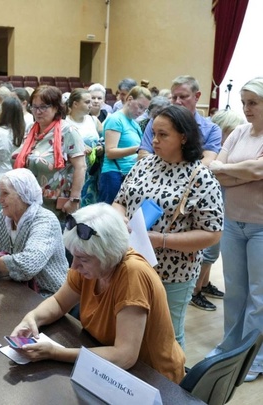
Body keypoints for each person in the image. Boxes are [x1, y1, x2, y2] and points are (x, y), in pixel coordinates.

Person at [10, 203, 185, 383]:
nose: (74, 266)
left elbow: (125, 356)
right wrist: (32, 318)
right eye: (74, 256)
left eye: (83, 259)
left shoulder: (133, 274)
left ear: (108, 255)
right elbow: (60, 303)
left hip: (151, 379)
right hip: (107, 364)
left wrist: (56, 353)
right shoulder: (91, 269)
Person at [114, 105, 223, 349]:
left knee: (167, 337)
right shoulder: (144, 164)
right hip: (131, 261)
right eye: (153, 134)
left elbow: (213, 233)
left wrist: (160, 239)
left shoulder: (201, 176)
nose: (154, 140)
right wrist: (120, 219)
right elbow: (119, 202)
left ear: (183, 137)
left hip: (173, 272)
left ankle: (173, 385)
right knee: (130, 330)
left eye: (163, 135)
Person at [208, 77, 263, 382]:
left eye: (252, 102)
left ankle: (253, 358)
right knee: (235, 292)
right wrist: (246, 174)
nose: (245, 109)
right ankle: (229, 347)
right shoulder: (240, 132)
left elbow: (257, 169)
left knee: (259, 295)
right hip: (233, 222)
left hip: (261, 226)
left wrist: (233, 172)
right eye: (243, 102)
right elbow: (216, 169)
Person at [0, 168, 68, 297]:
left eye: (5, 193)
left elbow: (28, 266)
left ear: (24, 194)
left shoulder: (45, 221)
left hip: (48, 295)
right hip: (17, 288)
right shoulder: (4, 217)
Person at [190, 109, 245, 311]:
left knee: (213, 252)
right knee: (208, 251)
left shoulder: (228, 150)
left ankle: (204, 284)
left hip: (224, 204)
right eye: (230, 131)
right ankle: (195, 292)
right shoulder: (213, 151)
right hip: (211, 206)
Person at [12, 85, 86, 221]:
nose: (38, 111)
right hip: (29, 202)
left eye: (43, 107)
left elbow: (80, 167)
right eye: (34, 107)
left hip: (55, 206)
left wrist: (74, 199)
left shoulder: (68, 131)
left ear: (56, 108)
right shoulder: (31, 129)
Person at [138, 75, 222, 166]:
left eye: (183, 97)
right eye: (174, 97)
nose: (177, 102)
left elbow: (207, 161)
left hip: (191, 178)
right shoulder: (158, 122)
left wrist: (178, 174)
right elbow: (143, 154)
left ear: (197, 96)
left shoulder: (212, 129)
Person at [99, 86, 151, 204]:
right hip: (113, 175)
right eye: (140, 106)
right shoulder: (116, 119)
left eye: (145, 109)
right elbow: (110, 152)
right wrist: (138, 149)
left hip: (128, 175)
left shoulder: (134, 124)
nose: (141, 112)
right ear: (130, 99)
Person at [65, 89, 102, 206]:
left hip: (93, 171)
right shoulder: (64, 123)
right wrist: (79, 147)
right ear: (75, 104)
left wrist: (101, 147)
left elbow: (104, 139)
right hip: (73, 171)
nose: (91, 105)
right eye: (87, 102)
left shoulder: (94, 120)